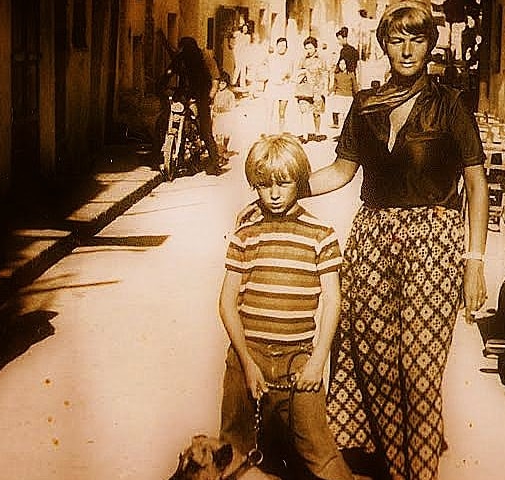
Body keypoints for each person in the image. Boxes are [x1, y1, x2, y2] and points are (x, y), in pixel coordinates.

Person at [237, 1, 488, 478]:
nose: (407, 49)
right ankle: (396, 465)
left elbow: (476, 183)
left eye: (417, 39)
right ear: (385, 45)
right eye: (397, 39)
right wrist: (284, 186)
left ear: (430, 45)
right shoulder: (366, 105)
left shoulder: (450, 105)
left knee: (419, 366)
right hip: (372, 240)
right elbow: (340, 172)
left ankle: (419, 470)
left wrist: (474, 261)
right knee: (372, 362)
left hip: (434, 244)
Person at [218, 134, 354, 480]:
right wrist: (247, 364)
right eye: (263, 185)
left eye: (284, 182)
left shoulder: (320, 234)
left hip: (298, 361)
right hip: (247, 357)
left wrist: (317, 361)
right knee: (233, 453)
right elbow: (227, 303)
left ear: (300, 181)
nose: (274, 194)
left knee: (319, 454)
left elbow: (332, 300)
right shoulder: (245, 234)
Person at [162, 37, 222, 175]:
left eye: (185, 48)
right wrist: (162, 84)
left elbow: (215, 78)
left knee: (205, 131)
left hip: (202, 95)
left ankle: (215, 162)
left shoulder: (204, 57)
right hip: (184, 94)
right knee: (164, 120)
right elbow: (169, 72)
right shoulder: (181, 58)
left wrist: (211, 95)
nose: (183, 51)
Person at [295, 37, 329, 143]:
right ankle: (305, 135)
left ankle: (317, 132)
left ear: (315, 47)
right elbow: (297, 73)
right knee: (304, 111)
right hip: (305, 89)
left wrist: (325, 88)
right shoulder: (303, 59)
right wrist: (304, 72)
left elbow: (325, 73)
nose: (308, 51)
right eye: (306, 48)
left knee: (316, 112)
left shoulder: (321, 59)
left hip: (317, 89)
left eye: (310, 48)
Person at [264, 37, 295, 133]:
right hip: (272, 86)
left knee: (282, 112)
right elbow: (263, 69)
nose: (282, 47)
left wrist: (286, 75)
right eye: (280, 45)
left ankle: (280, 133)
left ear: (286, 47)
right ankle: (268, 132)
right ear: (276, 46)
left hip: (284, 87)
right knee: (269, 111)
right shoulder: (270, 57)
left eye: (284, 46)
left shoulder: (289, 59)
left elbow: (290, 73)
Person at [328, 57, 358, 133]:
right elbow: (335, 85)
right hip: (339, 96)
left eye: (344, 64)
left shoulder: (351, 74)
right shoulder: (337, 74)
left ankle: (347, 132)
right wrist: (329, 91)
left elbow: (355, 86)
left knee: (347, 116)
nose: (342, 66)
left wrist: (357, 95)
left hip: (348, 97)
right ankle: (341, 132)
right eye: (340, 64)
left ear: (347, 64)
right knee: (340, 115)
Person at [212, 72, 236, 156]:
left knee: (226, 135)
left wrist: (225, 109)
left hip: (225, 117)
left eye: (223, 83)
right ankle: (219, 152)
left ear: (226, 84)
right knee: (218, 135)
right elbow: (213, 104)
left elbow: (232, 107)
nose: (220, 85)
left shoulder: (229, 94)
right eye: (219, 83)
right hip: (217, 117)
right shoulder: (216, 93)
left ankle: (225, 148)